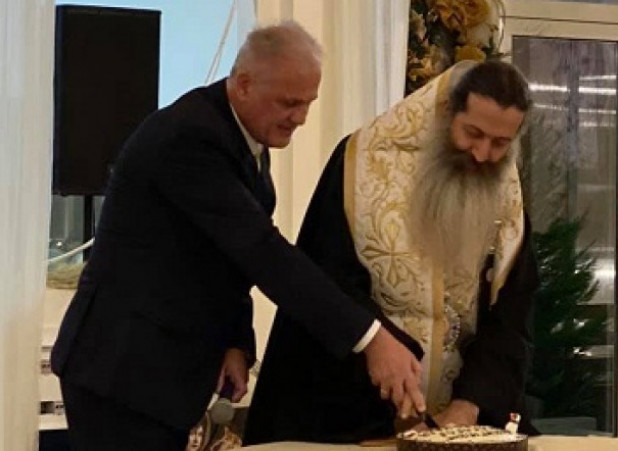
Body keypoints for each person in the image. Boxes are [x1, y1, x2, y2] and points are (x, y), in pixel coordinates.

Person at [50, 21, 425, 450]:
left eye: (308, 103)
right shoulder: (189, 138)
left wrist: (235, 342)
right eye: (289, 103)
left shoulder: (241, 134)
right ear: (244, 84)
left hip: (155, 376)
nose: (301, 118)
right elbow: (261, 251)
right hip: (120, 373)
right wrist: (371, 338)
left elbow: (224, 256)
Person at [243, 59, 540, 445]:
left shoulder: (505, 190)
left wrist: (469, 404)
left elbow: (512, 315)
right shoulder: (361, 161)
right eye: (473, 133)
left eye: (500, 143)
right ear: (446, 112)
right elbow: (329, 283)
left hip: (464, 420)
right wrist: (381, 364)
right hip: (358, 411)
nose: (483, 154)